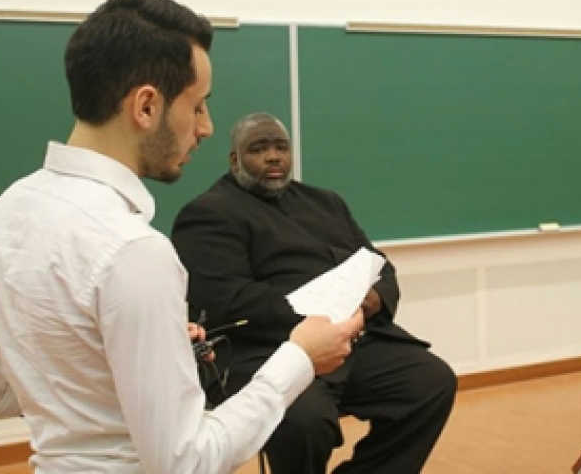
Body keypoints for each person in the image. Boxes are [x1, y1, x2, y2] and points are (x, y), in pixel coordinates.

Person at [0, 0, 363, 474]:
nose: (205, 127)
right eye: (198, 106)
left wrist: (112, 359)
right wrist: (300, 358)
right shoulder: (132, 251)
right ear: (146, 106)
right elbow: (185, 461)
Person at [171, 112, 457, 474]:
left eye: (281, 147)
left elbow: (378, 265)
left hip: (353, 341)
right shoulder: (208, 213)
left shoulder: (326, 203)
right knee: (304, 423)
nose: (274, 156)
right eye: (259, 149)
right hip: (270, 349)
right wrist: (323, 311)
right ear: (235, 159)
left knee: (430, 383)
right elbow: (226, 300)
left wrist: (374, 300)